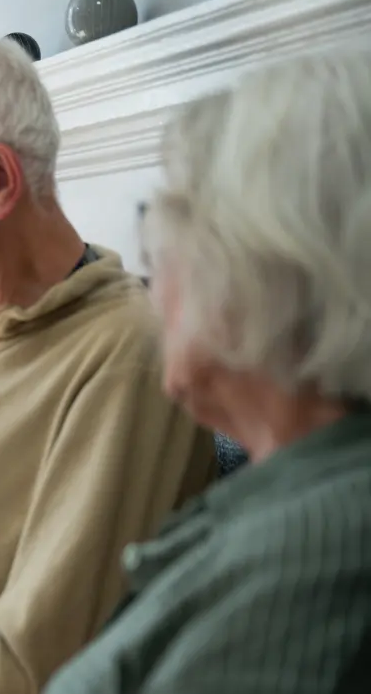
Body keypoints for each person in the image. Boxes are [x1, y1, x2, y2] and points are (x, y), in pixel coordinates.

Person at [38, 51, 371, 693]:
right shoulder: (288, 500)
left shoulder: (312, 555)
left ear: (259, 276)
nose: (152, 282)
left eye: (165, 245)